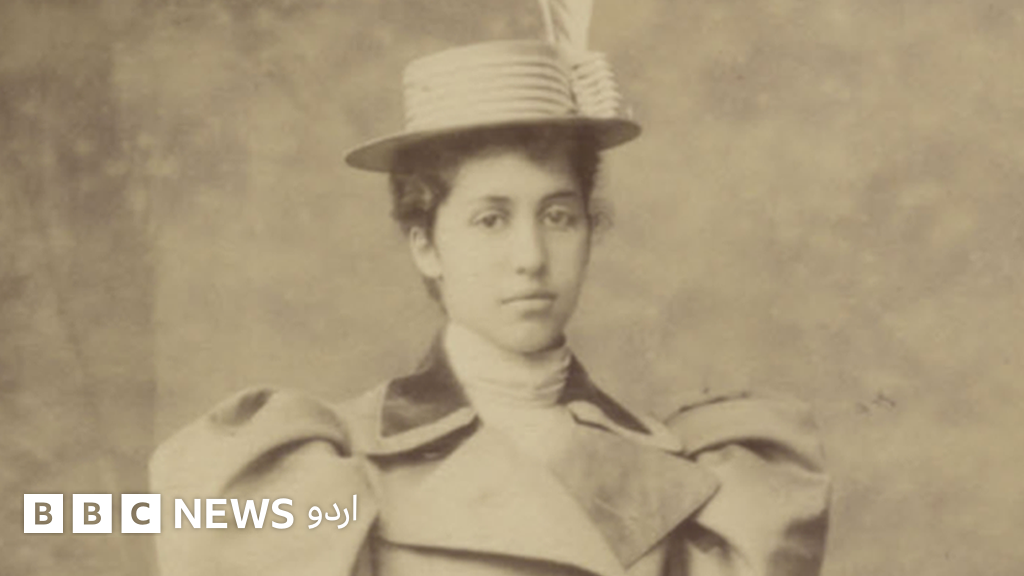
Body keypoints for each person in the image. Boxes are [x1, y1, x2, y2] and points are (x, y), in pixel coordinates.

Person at [150, 7, 830, 576]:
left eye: (558, 217)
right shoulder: (325, 468)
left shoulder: (683, 471)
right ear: (425, 243)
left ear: (590, 229)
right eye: (490, 220)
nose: (530, 259)